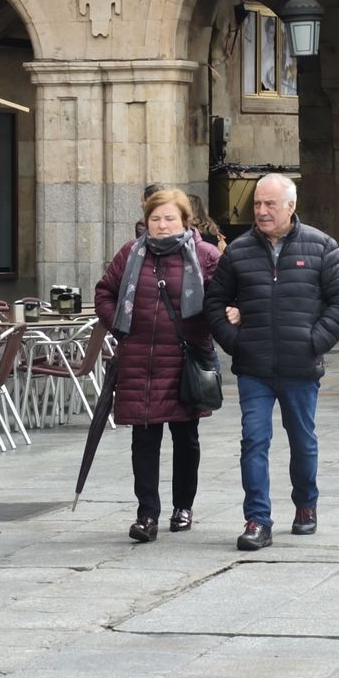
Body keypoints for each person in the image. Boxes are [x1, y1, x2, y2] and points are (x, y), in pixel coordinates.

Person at [205, 173, 339, 551]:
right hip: (253, 366)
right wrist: (235, 341)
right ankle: (257, 519)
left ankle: (306, 504)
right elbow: (214, 303)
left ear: (290, 206)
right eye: (257, 204)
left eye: (270, 204)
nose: (261, 211)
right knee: (253, 441)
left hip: (300, 366)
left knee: (302, 441)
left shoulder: (322, 246)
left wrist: (315, 341)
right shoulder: (238, 251)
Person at [95, 187, 221, 542]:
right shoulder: (130, 254)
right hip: (140, 361)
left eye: (169, 218)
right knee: (144, 440)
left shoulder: (205, 255)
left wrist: (211, 326)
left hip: (184, 360)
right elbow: (104, 291)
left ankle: (184, 506)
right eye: (155, 219)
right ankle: (146, 514)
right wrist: (121, 323)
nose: (162, 225)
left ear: (184, 220)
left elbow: (222, 297)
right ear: (146, 222)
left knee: (186, 438)